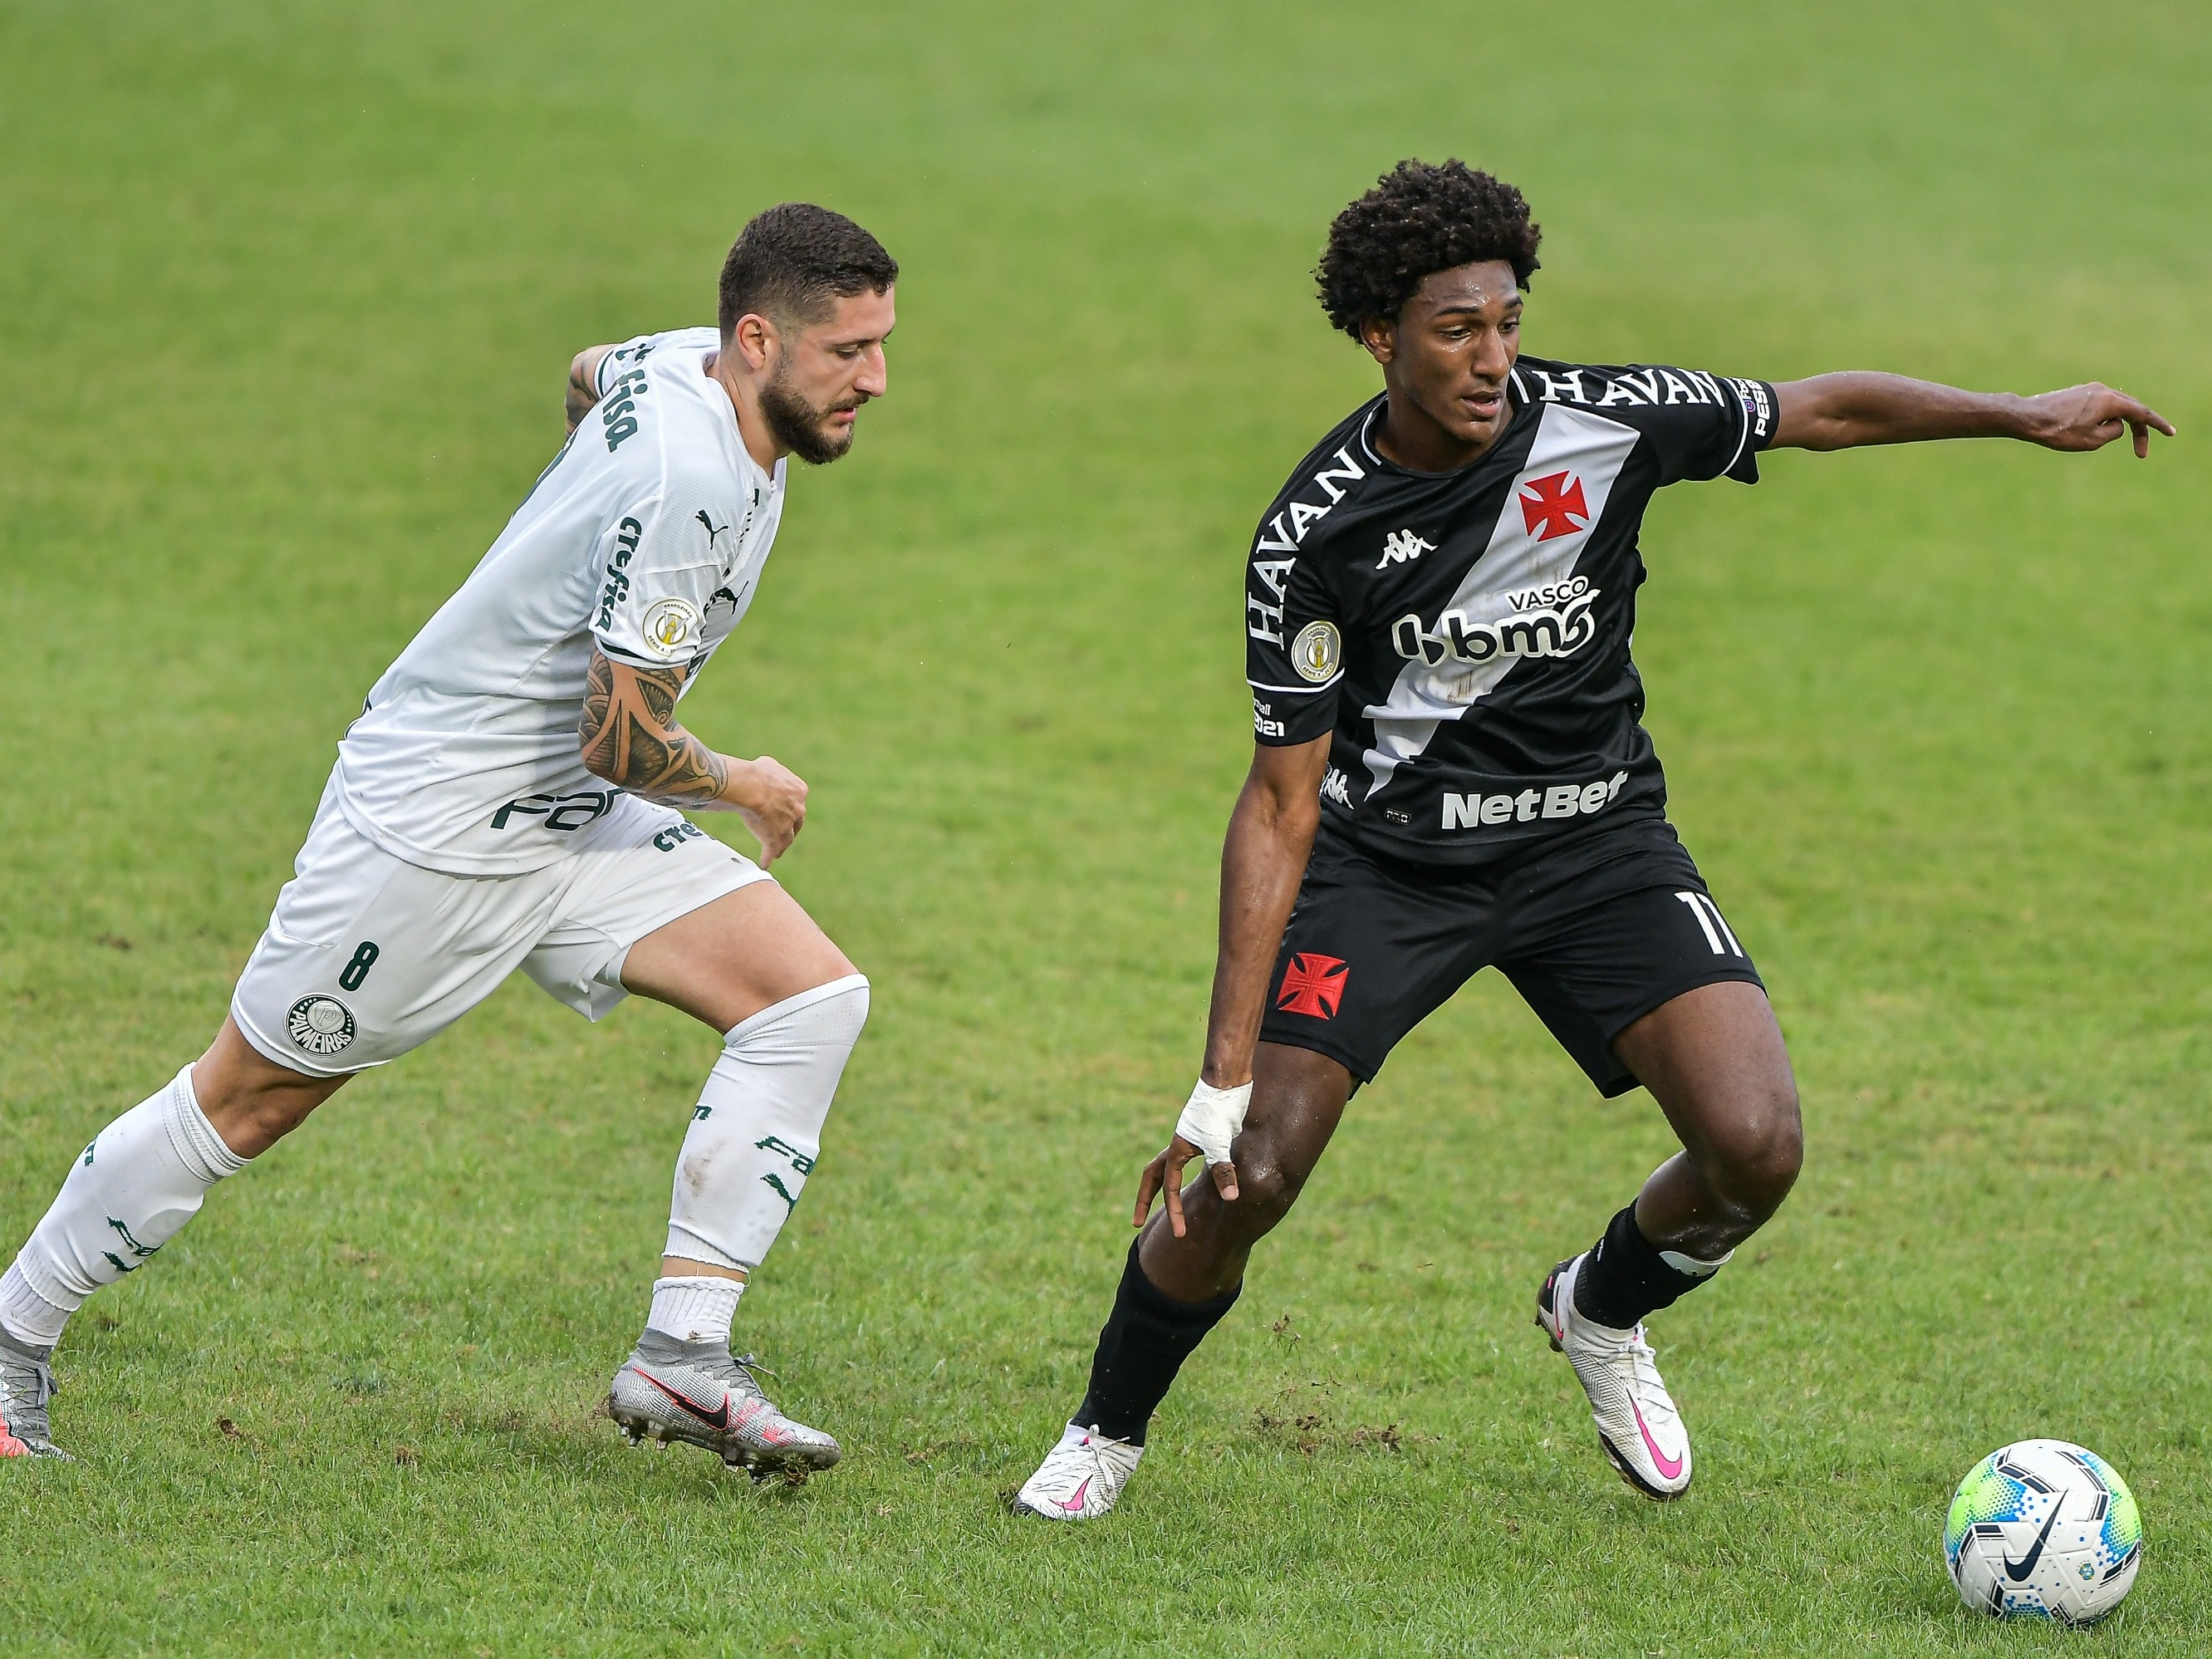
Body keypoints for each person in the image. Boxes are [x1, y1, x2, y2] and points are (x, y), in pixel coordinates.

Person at [1015, 159, 2172, 1518]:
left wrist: (2020, 414)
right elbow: (1278, 800)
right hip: (1391, 868)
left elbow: (1821, 410)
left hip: (1595, 845)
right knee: (1250, 1167)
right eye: (1456, 330)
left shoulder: (1609, 420)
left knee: (1758, 1144)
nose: (1494, 355)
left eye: (1507, 320)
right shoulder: (1316, 532)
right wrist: (1215, 1076)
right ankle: (1106, 1428)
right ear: (1379, 336)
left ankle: (1601, 1306)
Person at [0, 203, 900, 1476]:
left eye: (878, 345)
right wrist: (742, 776)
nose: (873, 378)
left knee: (810, 1000)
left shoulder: (673, 359)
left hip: (563, 823)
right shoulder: (690, 478)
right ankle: (9, 1332)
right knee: (250, 1098)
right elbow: (621, 738)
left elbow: (590, 372)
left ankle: (679, 1357)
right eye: (844, 351)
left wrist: (574, 519)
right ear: (756, 339)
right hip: (432, 832)